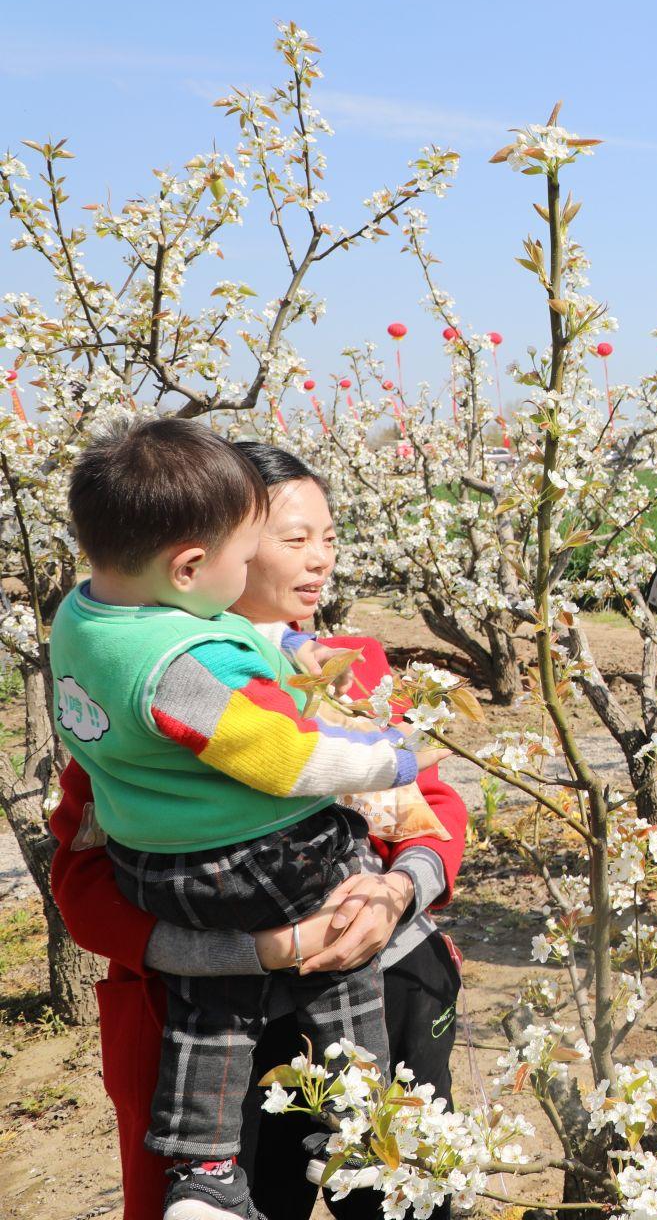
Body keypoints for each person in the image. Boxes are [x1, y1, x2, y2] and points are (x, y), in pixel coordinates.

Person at [51, 438, 468, 1220]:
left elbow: (438, 811)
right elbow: (84, 893)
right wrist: (250, 952)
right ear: (203, 555)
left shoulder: (355, 666)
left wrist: (395, 893)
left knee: (396, 1191)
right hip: (215, 1028)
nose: (320, 563)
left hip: (387, 986)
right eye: (290, 539)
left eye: (330, 538)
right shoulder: (148, 696)